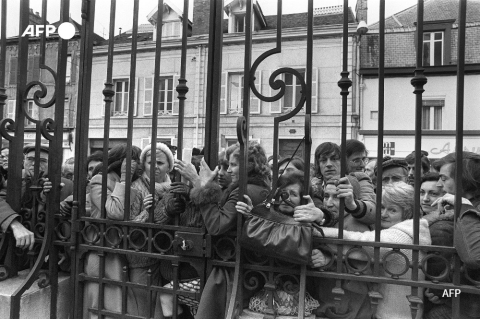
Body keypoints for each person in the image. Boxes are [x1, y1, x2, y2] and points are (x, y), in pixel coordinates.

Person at [313, 182, 431, 319]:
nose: (384, 214)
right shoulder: (411, 230)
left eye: (393, 210)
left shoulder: (401, 237)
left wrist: (316, 231)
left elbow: (356, 242)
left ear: (407, 212)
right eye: (381, 207)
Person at [190, 141, 271, 319]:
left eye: (233, 165)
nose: (228, 170)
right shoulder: (262, 187)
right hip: (251, 266)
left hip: (231, 266)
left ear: (249, 166)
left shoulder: (242, 191)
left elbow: (216, 225)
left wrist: (203, 187)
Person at [236, 171, 321, 317]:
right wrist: (252, 216)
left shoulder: (309, 222)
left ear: (303, 199)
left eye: (293, 194)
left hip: (298, 291)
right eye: (283, 193)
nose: (285, 198)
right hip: (265, 289)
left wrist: (320, 216)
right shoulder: (266, 220)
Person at [83, 144, 142, 319]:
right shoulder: (99, 180)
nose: (138, 166)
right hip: (103, 247)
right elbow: (115, 211)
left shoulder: (134, 182)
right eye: (135, 161)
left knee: (121, 304)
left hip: (125, 248)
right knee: (100, 302)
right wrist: (124, 180)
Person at [424, 152, 480, 318]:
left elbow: (473, 258)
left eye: (444, 178)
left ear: (464, 180)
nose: (439, 184)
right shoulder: (457, 208)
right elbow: (457, 290)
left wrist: (463, 207)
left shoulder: (467, 209)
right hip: (462, 298)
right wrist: (443, 293)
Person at [312, 142, 376, 227]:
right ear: (318, 164)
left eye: (334, 159)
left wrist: (354, 205)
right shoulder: (314, 186)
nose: (329, 164)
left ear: (343, 162)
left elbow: (373, 212)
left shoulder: (359, 179)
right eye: (323, 160)